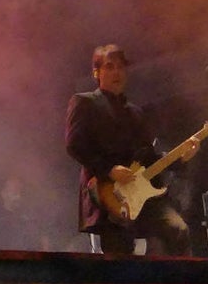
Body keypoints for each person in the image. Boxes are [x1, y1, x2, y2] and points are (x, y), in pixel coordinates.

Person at [65, 43, 196, 256]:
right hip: (109, 194)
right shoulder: (84, 102)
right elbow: (75, 145)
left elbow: (148, 156)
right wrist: (109, 169)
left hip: (142, 192)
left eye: (120, 67)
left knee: (178, 230)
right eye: (109, 67)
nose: (117, 72)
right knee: (120, 253)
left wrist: (180, 159)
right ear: (96, 73)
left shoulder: (135, 112)